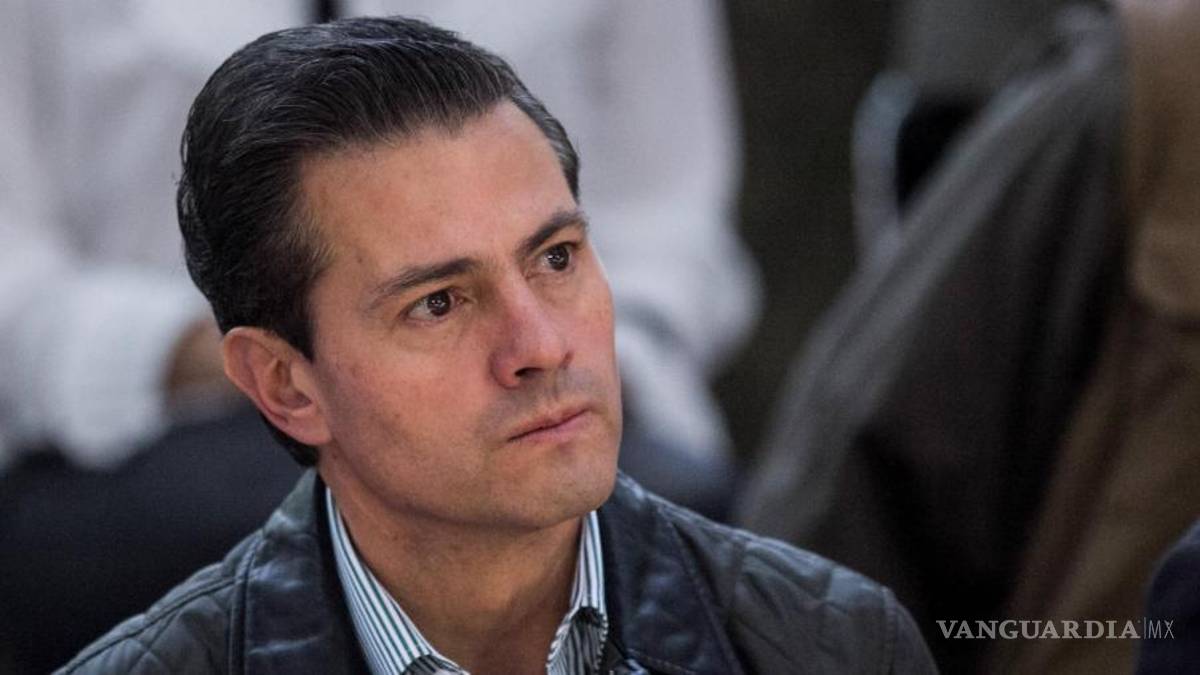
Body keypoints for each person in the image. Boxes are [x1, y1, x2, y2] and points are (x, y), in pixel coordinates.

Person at [58, 16, 933, 674]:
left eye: (556, 258)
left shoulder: (840, 644)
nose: (541, 345)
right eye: (438, 304)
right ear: (286, 384)